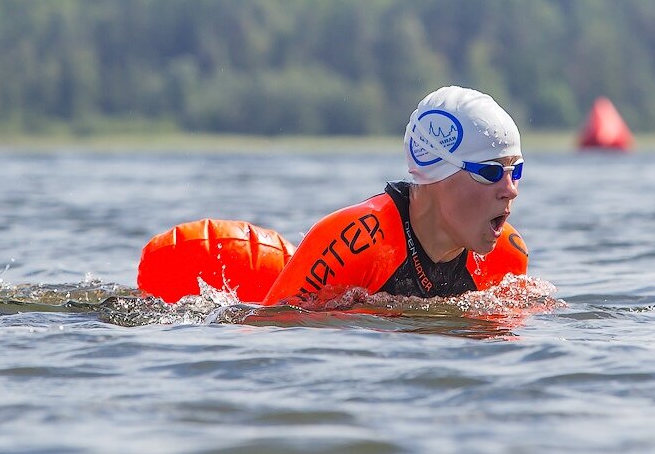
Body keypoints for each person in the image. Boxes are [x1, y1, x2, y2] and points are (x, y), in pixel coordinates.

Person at [137, 86, 528, 306]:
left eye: (516, 171)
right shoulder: (353, 242)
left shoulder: (508, 257)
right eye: (491, 172)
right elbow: (274, 343)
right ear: (437, 173)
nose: (509, 189)